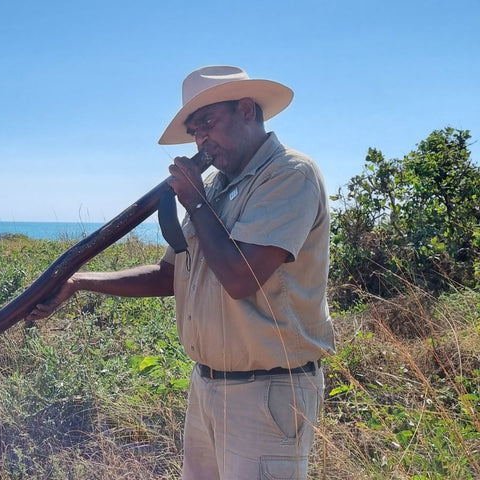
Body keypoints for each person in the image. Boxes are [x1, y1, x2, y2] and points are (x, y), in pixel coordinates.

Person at [27, 65, 335, 479]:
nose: (200, 140)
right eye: (194, 130)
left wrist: (195, 201)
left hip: (267, 392)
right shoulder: (219, 187)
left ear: (246, 110)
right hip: (208, 385)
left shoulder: (288, 175)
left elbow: (241, 278)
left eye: (207, 123)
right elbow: (167, 273)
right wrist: (80, 282)